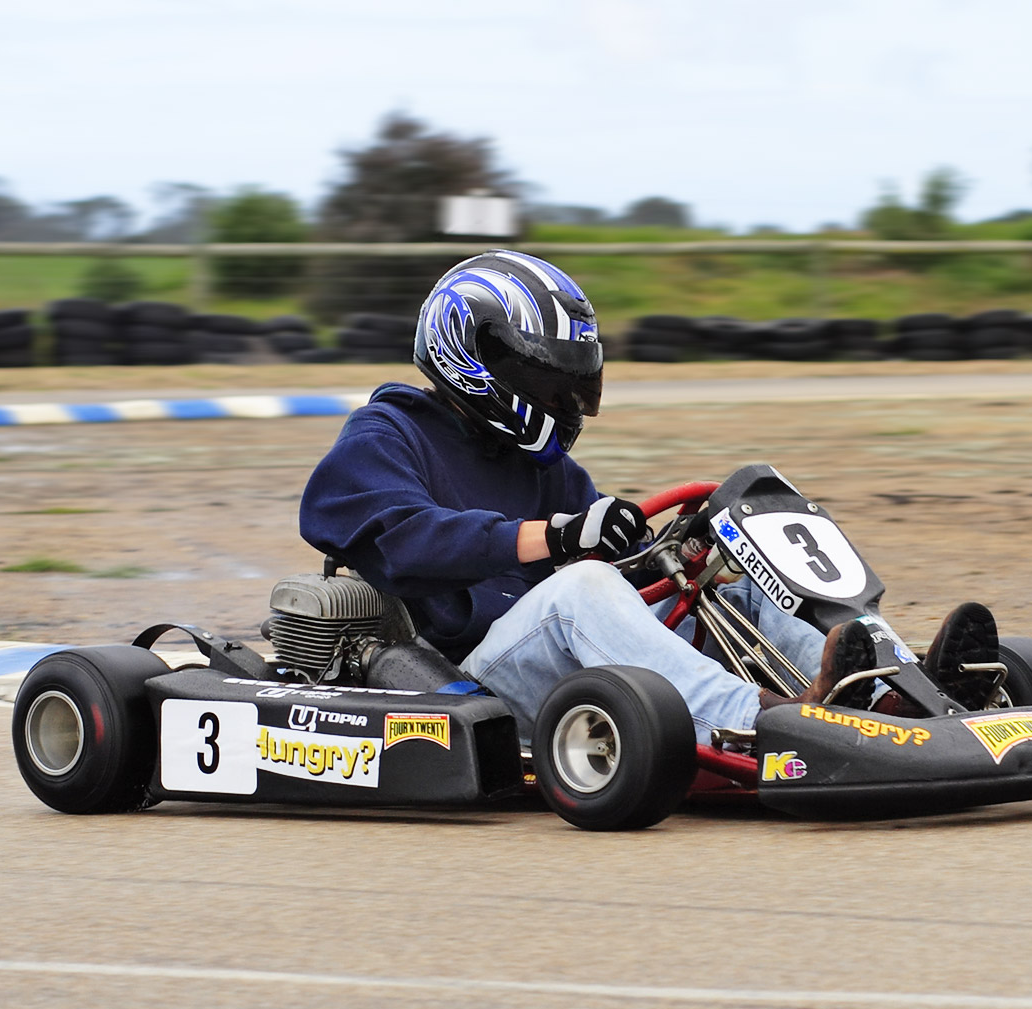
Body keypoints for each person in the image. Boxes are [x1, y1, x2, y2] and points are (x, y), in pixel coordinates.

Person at [300, 250, 996, 742]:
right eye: (547, 381)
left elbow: (618, 556)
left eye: (574, 382)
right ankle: (766, 723)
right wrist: (560, 538)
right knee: (582, 588)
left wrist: (680, 552)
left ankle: (896, 692)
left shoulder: (533, 461)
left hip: (566, 660)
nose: (566, 401)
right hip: (468, 678)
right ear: (477, 363)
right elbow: (404, 539)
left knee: (732, 569)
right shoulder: (386, 435)